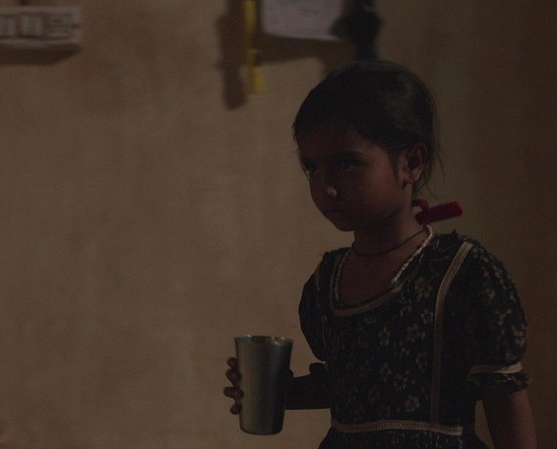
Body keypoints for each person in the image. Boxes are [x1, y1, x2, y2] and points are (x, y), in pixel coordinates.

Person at [223, 60, 537, 449]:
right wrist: (275, 392)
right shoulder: (328, 282)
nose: (326, 188)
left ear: (412, 163)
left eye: (345, 164)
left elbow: (505, 402)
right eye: (312, 168)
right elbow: (360, 386)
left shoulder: (463, 274)